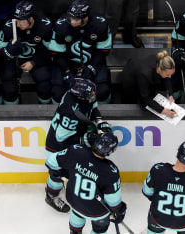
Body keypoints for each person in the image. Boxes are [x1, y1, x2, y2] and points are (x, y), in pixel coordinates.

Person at [44, 77, 112, 212]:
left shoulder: (82, 95)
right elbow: (61, 139)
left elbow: (93, 108)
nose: (93, 95)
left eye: (93, 92)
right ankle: (51, 196)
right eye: (90, 94)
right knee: (58, 175)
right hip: (58, 147)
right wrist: (87, 139)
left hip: (74, 140)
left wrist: (99, 122)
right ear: (80, 96)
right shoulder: (70, 111)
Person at [45, 131, 127, 234]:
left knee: (77, 213)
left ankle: (74, 232)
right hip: (96, 211)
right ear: (110, 152)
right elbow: (113, 202)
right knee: (100, 227)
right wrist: (120, 211)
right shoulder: (111, 171)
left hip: (74, 200)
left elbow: (50, 162)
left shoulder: (76, 151)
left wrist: (61, 175)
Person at [49, 0, 112, 104]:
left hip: (92, 62)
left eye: (76, 19)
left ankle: (99, 115)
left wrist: (91, 68)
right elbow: (57, 53)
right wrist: (67, 71)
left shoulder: (100, 24)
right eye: (70, 17)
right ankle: (60, 116)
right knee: (57, 92)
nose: (72, 21)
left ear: (85, 18)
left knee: (102, 92)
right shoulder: (61, 25)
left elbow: (103, 50)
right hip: (66, 63)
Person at [0, 1, 52, 104]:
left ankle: (46, 108)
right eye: (16, 21)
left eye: (21, 22)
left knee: (44, 82)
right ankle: (11, 114)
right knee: (8, 86)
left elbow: (51, 51)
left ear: (31, 19)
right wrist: (9, 50)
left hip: (36, 56)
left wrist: (33, 62)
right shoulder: (9, 26)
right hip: (13, 58)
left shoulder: (44, 25)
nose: (18, 24)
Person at [121, 49, 178, 118]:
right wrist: (164, 111)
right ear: (160, 69)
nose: (170, 77)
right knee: (133, 100)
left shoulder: (162, 61)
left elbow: (167, 78)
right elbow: (145, 98)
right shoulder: (145, 73)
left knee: (151, 100)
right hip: (130, 75)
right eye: (168, 74)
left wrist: (170, 95)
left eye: (171, 74)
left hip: (144, 69)